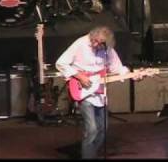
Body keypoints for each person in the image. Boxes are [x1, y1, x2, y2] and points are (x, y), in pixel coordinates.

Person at [55, 25, 141, 159]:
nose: (95, 44)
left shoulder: (108, 50)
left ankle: (89, 153)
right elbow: (61, 63)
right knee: (92, 129)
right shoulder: (80, 43)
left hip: (100, 92)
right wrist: (79, 76)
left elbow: (117, 68)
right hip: (83, 91)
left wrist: (132, 75)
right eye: (93, 41)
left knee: (103, 129)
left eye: (99, 43)